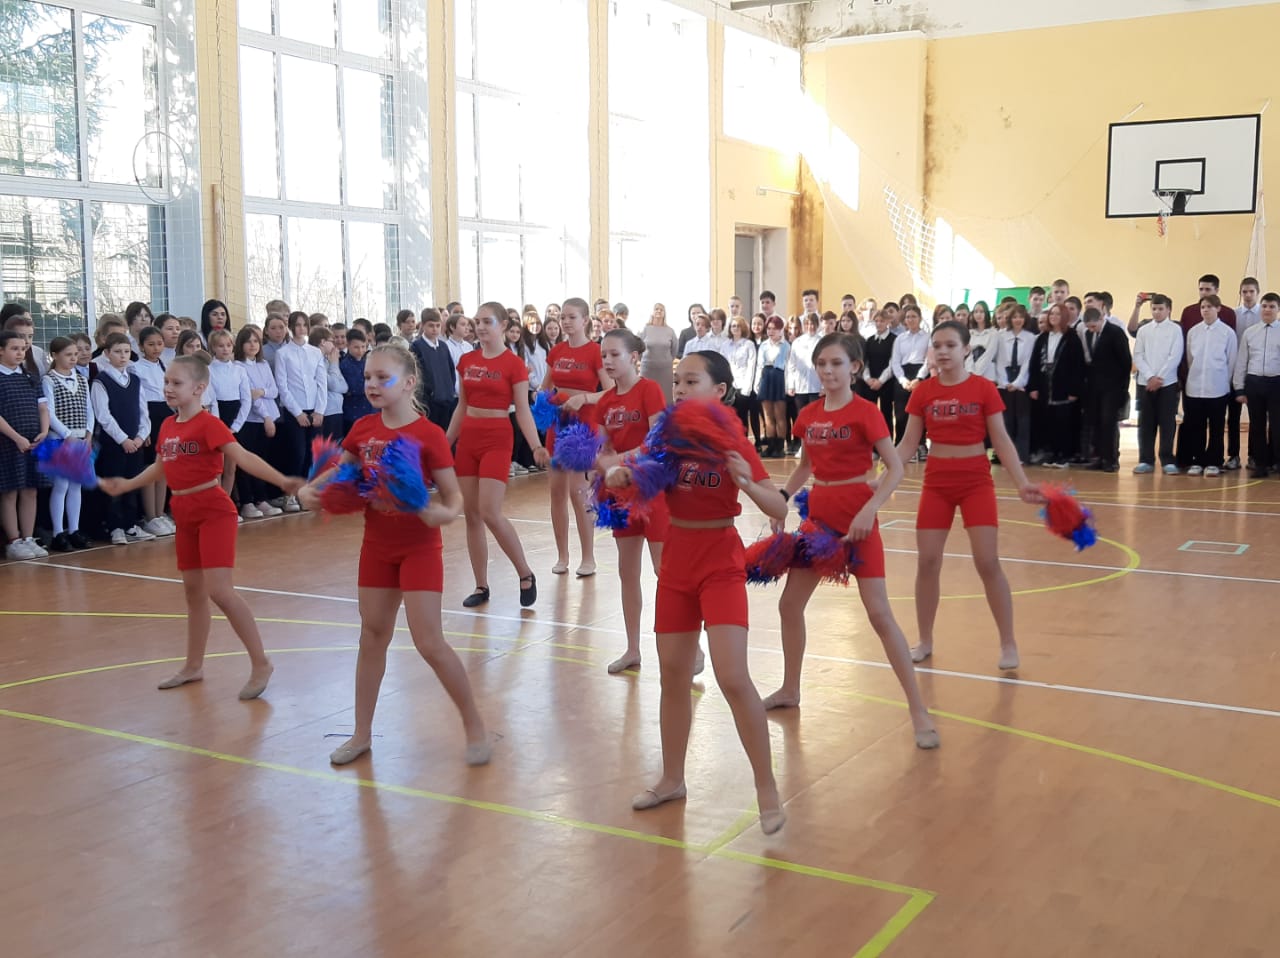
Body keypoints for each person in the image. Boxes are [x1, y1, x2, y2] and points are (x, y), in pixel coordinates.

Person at [606, 350, 786, 835]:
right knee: (673, 674)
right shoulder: (666, 436)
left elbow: (778, 506)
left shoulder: (733, 439)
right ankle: (672, 779)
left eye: (692, 381)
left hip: (721, 562)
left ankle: (766, 787)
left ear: (720, 391)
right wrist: (620, 476)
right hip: (677, 562)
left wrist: (747, 483)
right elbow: (635, 473)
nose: (681, 389)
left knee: (732, 675)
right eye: (677, 382)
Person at [299, 343, 491, 766]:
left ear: (408, 383)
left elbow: (454, 498)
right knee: (372, 635)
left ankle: (474, 724)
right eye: (368, 377)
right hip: (377, 546)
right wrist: (313, 489)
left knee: (430, 643)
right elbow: (343, 469)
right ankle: (361, 734)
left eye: (382, 377)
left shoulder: (429, 434)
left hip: (419, 548)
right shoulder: (363, 429)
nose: (371, 384)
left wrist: (440, 513)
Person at [765, 333, 939, 748]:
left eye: (837, 363)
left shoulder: (866, 413)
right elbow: (805, 466)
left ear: (855, 367)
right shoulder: (808, 415)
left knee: (880, 615)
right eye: (822, 363)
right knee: (789, 605)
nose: (828, 371)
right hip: (819, 521)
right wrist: (781, 499)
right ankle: (790, 689)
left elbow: (895, 468)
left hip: (858, 518)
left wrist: (870, 509)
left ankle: (918, 709)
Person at [98, 355, 304, 698]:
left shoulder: (209, 424)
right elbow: (161, 467)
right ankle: (193, 666)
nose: (168, 388)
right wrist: (128, 484)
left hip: (213, 512)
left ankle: (261, 662)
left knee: (220, 591)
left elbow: (243, 457)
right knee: (193, 593)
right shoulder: (167, 425)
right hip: (184, 513)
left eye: (176, 383)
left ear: (199, 388)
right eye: (166, 382)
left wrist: (282, 481)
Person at [897, 321, 1044, 671]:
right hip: (937, 482)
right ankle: (925, 640)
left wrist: (1022, 482)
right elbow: (907, 444)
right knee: (927, 561)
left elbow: (1002, 440)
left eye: (950, 345)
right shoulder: (923, 392)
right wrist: (880, 479)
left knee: (987, 562)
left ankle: (1008, 642)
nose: (943, 351)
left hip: (976, 481)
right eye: (937, 345)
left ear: (965, 349)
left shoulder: (983, 388)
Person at [448, 302, 549, 607]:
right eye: (476, 322)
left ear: (503, 325)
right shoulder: (466, 360)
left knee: (490, 511)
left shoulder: (514, 364)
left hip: (497, 438)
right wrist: (445, 442)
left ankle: (525, 572)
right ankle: (481, 585)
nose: (479, 327)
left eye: (486, 321)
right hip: (469, 437)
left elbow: (523, 410)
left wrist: (536, 445)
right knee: (472, 515)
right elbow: (462, 406)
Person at [593, 329, 679, 674]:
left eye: (614, 354)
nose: (608, 361)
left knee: (665, 572)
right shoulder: (604, 402)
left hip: (653, 491)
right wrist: (599, 465)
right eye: (604, 355)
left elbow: (657, 443)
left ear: (633, 357)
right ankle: (632, 649)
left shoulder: (649, 390)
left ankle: (688, 647)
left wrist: (619, 459)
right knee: (627, 572)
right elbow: (601, 451)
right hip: (622, 496)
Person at [539, 297, 612, 577]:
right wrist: (542, 400)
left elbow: (610, 391)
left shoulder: (595, 351)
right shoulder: (556, 351)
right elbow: (545, 387)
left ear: (585, 321)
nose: (566, 322)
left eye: (572, 317)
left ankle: (588, 557)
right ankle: (562, 555)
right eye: (563, 317)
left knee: (578, 492)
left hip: (583, 427)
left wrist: (584, 398)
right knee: (556, 491)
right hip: (558, 424)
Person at [92, 332, 155, 545]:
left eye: (126, 352)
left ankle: (130, 524)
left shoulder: (135, 380)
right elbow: (103, 415)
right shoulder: (101, 381)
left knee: (132, 483)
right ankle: (115, 527)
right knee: (115, 484)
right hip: (114, 443)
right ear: (107, 353)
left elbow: (143, 411)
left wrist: (140, 436)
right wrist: (123, 439)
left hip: (135, 443)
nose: (122, 356)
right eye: (117, 352)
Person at [0, 329, 50, 559]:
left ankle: (29, 537)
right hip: (8, 442)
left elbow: (43, 407)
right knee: (10, 491)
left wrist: (44, 431)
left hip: (33, 441)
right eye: (14, 349)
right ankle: (14, 540)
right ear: (1, 351)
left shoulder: (30, 376)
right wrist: (16, 437)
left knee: (31, 490)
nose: (20, 353)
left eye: (23, 349)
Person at [42, 337, 94, 551]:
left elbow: (89, 409)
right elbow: (49, 413)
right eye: (68, 355)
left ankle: (74, 529)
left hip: (80, 439)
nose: (73, 358)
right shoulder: (49, 380)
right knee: (61, 485)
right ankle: (58, 532)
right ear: (54, 356)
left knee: (76, 485)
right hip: (59, 439)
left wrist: (88, 434)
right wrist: (67, 435)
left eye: (75, 354)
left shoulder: (81, 379)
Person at [1178, 295, 1238, 476]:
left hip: (1218, 387)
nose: (1205, 310)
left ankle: (1214, 461)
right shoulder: (1193, 332)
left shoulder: (1228, 333)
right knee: (1197, 426)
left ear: (1218, 308)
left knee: (1217, 428)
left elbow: (1231, 361)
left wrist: (1225, 382)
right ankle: (1198, 460)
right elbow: (1190, 358)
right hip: (1195, 387)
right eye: (1203, 307)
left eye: (1209, 307)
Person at [273, 311, 327, 509]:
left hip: (314, 408)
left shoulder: (315, 352)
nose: (301, 328)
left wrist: (319, 410)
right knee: (297, 453)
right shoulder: (283, 353)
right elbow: (283, 386)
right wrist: (297, 412)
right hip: (295, 410)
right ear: (291, 327)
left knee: (313, 454)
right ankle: (290, 494)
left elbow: (321, 382)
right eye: (297, 324)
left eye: (304, 324)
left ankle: (308, 493)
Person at [233, 325, 283, 519]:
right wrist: (266, 416)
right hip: (251, 420)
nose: (253, 345)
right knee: (247, 462)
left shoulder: (263, 365)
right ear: (241, 344)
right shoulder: (239, 366)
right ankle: (247, 501)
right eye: (248, 342)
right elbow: (250, 397)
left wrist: (262, 391)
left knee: (262, 460)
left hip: (268, 418)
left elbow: (274, 391)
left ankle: (261, 499)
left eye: (256, 341)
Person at [1028, 303, 1086, 468]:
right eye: (1051, 314)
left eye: (1058, 314)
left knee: (1064, 422)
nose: (1054, 317)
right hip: (1045, 385)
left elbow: (1078, 366)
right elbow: (1034, 364)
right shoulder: (1042, 338)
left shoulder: (1072, 338)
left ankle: (1064, 455)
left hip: (1063, 386)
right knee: (1048, 421)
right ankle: (1051, 453)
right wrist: (1033, 387)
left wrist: (1074, 389)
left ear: (1064, 317)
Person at [1132, 294, 1183, 475]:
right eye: (1154, 308)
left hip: (1167, 383)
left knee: (1167, 422)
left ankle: (1167, 459)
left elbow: (1175, 356)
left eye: (1161, 309)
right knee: (1146, 423)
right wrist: (1149, 376)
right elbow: (1138, 355)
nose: (1157, 312)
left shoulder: (1175, 330)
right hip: (1145, 383)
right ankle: (1146, 460)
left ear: (1168, 310)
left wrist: (1159, 378)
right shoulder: (1144, 330)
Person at [1234, 291, 1280, 479]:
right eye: (1265, 306)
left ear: (1278, 309)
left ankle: (1277, 462)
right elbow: (1241, 361)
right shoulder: (1250, 332)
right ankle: (1260, 464)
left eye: (1272, 306)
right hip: (1254, 383)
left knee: (1277, 425)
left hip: (1276, 382)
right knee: (1257, 426)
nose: (1267, 310)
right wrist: (1239, 387)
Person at [1081, 308, 1131, 473]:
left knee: (1108, 422)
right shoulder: (1089, 334)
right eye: (1088, 327)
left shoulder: (1115, 333)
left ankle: (1110, 459)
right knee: (1096, 422)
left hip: (1113, 387)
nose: (1091, 330)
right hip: (1095, 387)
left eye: (1094, 326)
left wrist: (1123, 387)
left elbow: (1125, 361)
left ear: (1101, 319)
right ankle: (1098, 457)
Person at [995, 305, 1036, 464]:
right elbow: (999, 360)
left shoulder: (1030, 337)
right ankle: (1005, 455)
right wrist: (1004, 382)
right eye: (1014, 317)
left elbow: (1027, 362)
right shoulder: (1001, 336)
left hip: (1022, 379)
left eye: (1020, 317)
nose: (1017, 320)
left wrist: (1018, 382)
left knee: (1022, 419)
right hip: (1004, 378)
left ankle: (1021, 455)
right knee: (1006, 419)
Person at [1229, 278, 1261, 470]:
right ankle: (1233, 455)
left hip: (1257, 371)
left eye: (1251, 292)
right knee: (1233, 416)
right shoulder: (1233, 314)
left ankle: (1254, 455)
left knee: (1256, 417)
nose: (1248, 295)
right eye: (1244, 292)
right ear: (1240, 293)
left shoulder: (1264, 313)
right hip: (1236, 370)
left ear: (1257, 293)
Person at [752, 316, 789, 458]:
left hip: (779, 378)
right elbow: (759, 365)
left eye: (775, 328)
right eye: (769, 328)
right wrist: (757, 383)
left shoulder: (786, 346)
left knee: (779, 415)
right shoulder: (763, 345)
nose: (771, 331)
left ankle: (780, 446)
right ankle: (771, 445)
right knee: (768, 415)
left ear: (780, 330)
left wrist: (788, 385)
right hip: (766, 377)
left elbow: (789, 367)